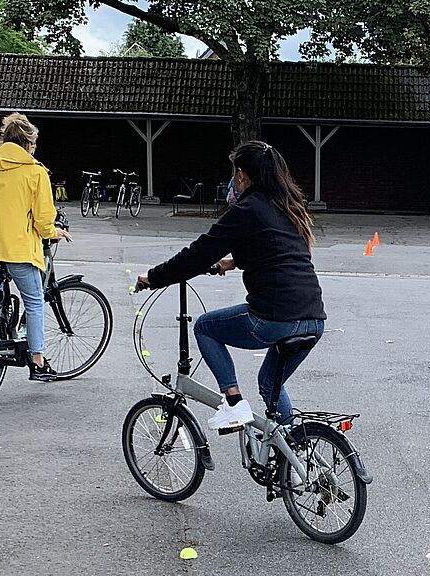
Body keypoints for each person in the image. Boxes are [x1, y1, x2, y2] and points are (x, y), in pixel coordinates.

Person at [137, 140, 326, 429]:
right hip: (313, 318)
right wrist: (230, 262)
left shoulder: (246, 209)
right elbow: (275, 251)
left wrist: (155, 277)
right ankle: (295, 455)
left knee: (205, 327)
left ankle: (234, 404)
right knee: (269, 384)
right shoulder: (288, 206)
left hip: (274, 318)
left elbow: (197, 255)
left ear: (241, 175)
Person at [0, 113, 72, 381]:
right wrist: (54, 231)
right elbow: (44, 220)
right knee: (34, 302)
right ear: (28, 144)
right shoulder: (35, 172)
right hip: (17, 245)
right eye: (33, 144)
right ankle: (38, 361)